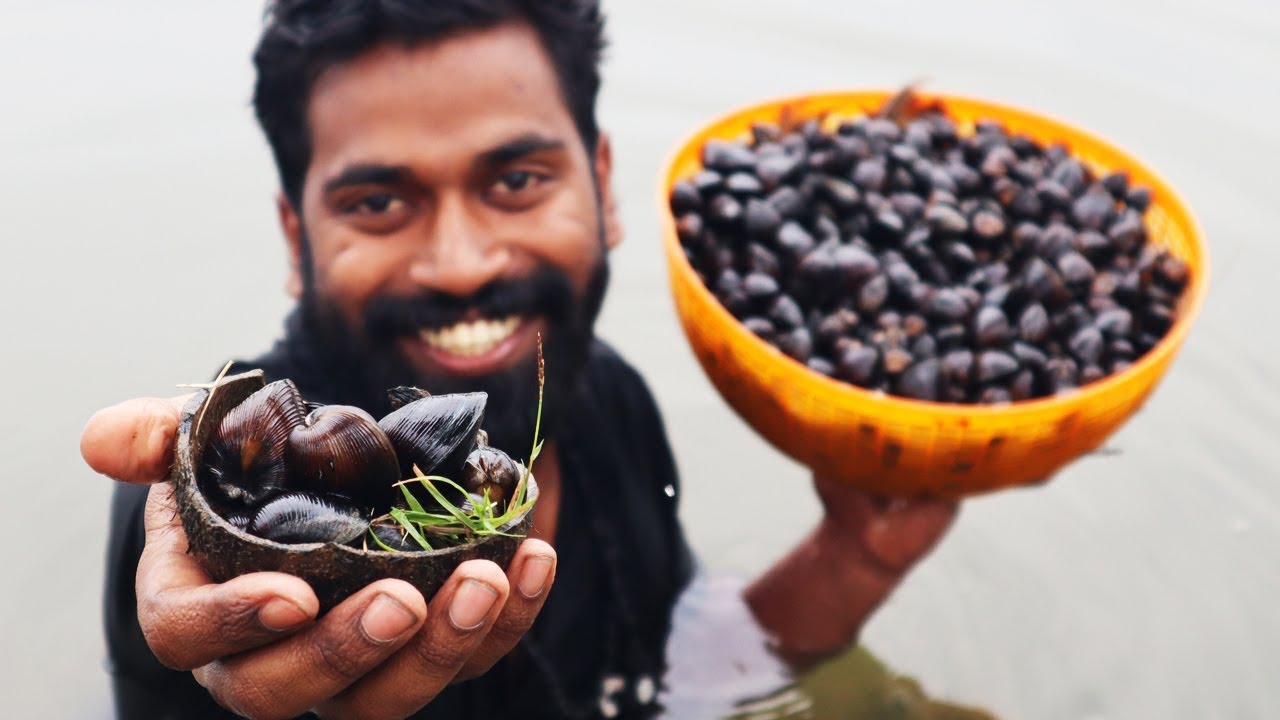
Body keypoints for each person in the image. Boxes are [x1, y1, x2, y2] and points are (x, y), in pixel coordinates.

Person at [79, 1, 958, 717]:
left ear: (602, 185)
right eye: (378, 201)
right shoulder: (210, 512)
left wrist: (858, 555)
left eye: (516, 181)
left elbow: (684, 671)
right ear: (294, 236)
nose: (462, 264)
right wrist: (231, 565)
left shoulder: (607, 396)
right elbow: (196, 620)